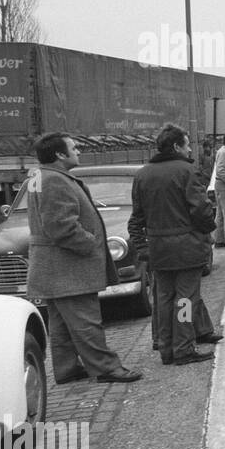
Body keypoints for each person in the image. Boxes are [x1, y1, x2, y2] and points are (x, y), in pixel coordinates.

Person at [25, 132, 142, 384]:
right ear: (59, 154)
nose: (79, 151)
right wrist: (91, 244)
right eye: (74, 148)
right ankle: (106, 368)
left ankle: (67, 369)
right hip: (68, 268)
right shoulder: (55, 180)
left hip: (52, 268)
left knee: (61, 324)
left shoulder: (40, 176)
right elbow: (60, 226)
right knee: (86, 323)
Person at [129, 124, 219, 366]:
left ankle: (167, 348)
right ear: (177, 146)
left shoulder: (142, 174)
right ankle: (184, 347)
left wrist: (143, 248)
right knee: (186, 301)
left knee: (164, 300)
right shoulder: (186, 171)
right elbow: (200, 208)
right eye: (187, 145)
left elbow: (136, 218)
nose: (190, 150)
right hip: (186, 247)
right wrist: (208, 228)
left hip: (158, 249)